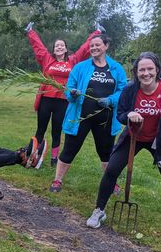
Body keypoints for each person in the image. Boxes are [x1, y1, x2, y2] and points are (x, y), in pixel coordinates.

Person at [87, 52, 161, 227]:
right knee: (112, 169)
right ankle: (99, 210)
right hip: (133, 136)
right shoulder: (130, 90)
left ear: (157, 70)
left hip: (158, 139)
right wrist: (129, 114)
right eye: (141, 69)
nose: (146, 73)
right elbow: (120, 114)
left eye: (150, 69)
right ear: (136, 72)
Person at [50, 34, 127, 193]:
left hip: (104, 118)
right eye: (91, 46)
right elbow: (68, 90)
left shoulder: (116, 68)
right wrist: (73, 93)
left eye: (97, 45)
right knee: (70, 149)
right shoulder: (80, 67)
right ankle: (57, 180)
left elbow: (123, 91)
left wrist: (111, 100)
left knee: (106, 152)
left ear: (106, 46)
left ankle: (111, 182)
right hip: (80, 117)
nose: (94, 48)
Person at [25, 22, 103, 166]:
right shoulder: (48, 60)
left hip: (62, 101)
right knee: (40, 129)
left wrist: (96, 33)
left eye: (62, 45)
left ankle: (54, 159)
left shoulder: (73, 60)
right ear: (54, 50)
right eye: (57, 46)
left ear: (66, 48)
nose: (59, 47)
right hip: (46, 100)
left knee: (57, 130)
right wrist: (30, 33)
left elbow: (85, 48)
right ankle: (33, 156)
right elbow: (38, 47)